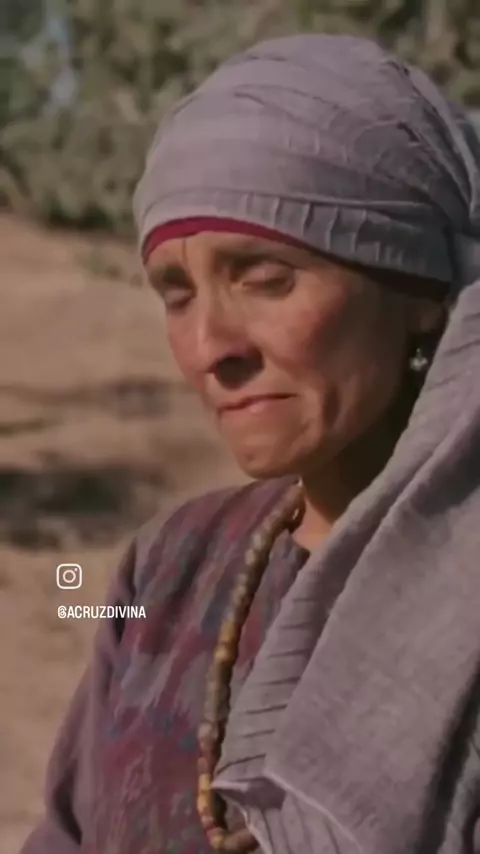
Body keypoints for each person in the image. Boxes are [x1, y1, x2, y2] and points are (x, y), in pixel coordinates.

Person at [21, 33, 480, 854]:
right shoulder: (170, 565)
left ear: (418, 290)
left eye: (266, 279)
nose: (210, 347)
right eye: (177, 294)